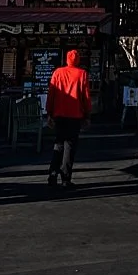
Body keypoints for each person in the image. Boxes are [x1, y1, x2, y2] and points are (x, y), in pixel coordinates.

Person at [43, 49, 91, 188]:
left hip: (59, 114)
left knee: (58, 144)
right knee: (70, 146)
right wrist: (87, 114)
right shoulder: (82, 74)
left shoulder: (58, 72)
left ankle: (52, 173)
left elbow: (51, 94)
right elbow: (86, 97)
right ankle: (66, 177)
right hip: (75, 115)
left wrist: (49, 113)